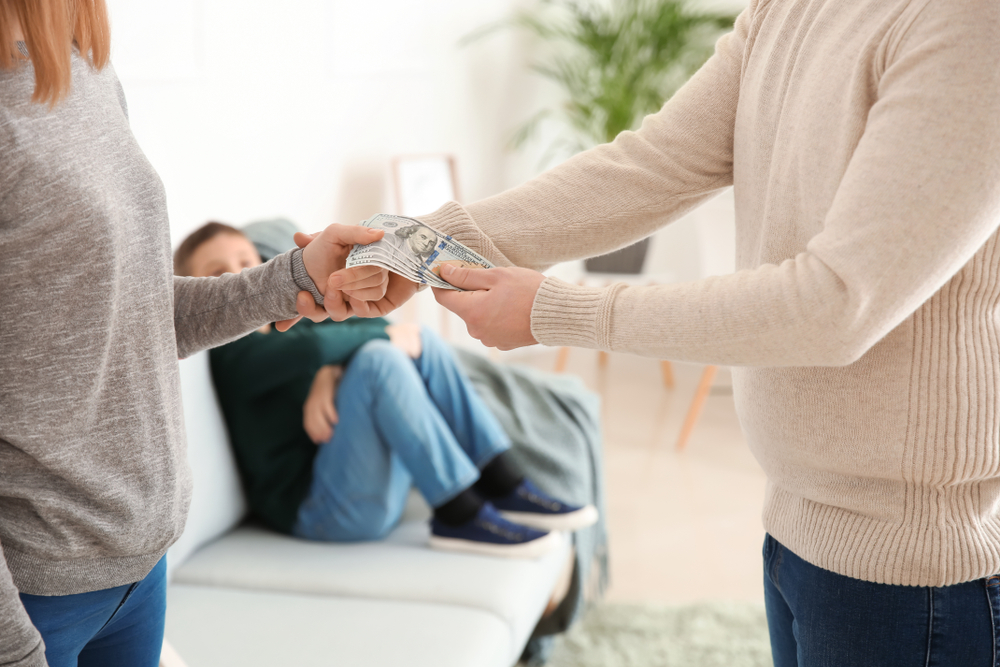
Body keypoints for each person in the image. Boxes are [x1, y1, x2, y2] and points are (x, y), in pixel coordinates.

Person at [333, 0, 1000, 664]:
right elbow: (653, 165)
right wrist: (413, 247)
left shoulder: (972, 27)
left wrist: (559, 311)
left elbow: (836, 303)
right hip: (796, 523)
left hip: (916, 573)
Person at [0, 4, 386, 667]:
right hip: (38, 595)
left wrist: (291, 278)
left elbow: (131, 315)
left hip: (141, 563)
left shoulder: (84, 68)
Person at [175, 222, 597, 557]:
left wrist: (333, 373)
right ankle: (458, 513)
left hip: (366, 482)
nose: (238, 276)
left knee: (422, 341)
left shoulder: (292, 321)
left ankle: (504, 481)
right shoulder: (229, 351)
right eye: (217, 274)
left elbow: (335, 340)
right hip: (323, 510)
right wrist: (338, 359)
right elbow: (317, 347)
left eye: (246, 260)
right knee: (381, 356)